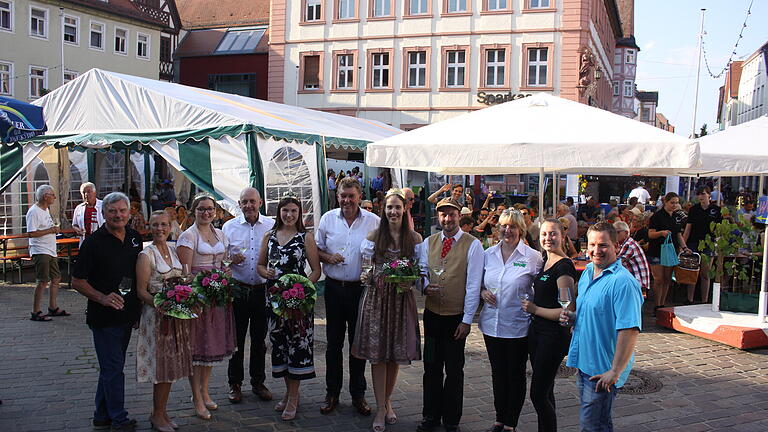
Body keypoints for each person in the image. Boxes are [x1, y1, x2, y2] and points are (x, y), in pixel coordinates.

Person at [72, 192, 143, 432]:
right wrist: (102, 297)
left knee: (111, 367)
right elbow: (77, 281)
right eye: (112, 211)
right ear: (104, 214)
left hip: (127, 314)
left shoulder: (134, 238)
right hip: (104, 318)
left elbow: (136, 276)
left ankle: (101, 416)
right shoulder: (93, 242)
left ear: (129, 213)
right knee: (113, 369)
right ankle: (119, 419)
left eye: (122, 210)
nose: (118, 215)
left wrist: (137, 311)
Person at [352, 189, 423, 432]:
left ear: (405, 210)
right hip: (378, 300)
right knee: (378, 354)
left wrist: (410, 281)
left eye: (397, 208)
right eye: (389, 207)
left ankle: (388, 400)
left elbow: (420, 272)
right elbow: (365, 270)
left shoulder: (414, 239)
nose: (393, 212)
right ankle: (380, 407)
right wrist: (366, 276)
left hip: (401, 300)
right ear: (384, 210)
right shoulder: (374, 236)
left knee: (394, 354)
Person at [563, 222, 643, 431]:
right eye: (592, 245)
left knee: (591, 426)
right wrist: (573, 317)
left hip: (602, 371)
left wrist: (615, 371)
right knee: (600, 423)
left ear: (616, 246)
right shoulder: (589, 272)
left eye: (603, 245)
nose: (596, 251)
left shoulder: (623, 283)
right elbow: (591, 312)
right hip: (584, 363)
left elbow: (630, 330)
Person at [417, 198, 483, 432]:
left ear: (459, 216)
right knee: (431, 367)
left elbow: (474, 285)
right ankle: (430, 415)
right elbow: (422, 271)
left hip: (456, 318)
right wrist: (423, 286)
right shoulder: (428, 242)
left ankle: (452, 419)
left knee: (454, 370)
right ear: (438, 217)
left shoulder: (473, 245)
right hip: (433, 316)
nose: (447, 219)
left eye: (451, 214)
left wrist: (467, 320)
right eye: (443, 215)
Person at [316, 176, 380, 415]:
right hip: (334, 288)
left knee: (357, 344)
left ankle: (358, 394)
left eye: (351, 196)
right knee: (333, 344)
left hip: (360, 290)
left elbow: (382, 251)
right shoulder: (327, 219)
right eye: (343, 196)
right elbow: (316, 249)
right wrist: (327, 257)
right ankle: (332, 393)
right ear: (337, 196)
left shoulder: (374, 221)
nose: (346, 200)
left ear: (359, 197)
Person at [257, 195, 321, 420]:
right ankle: (288, 392)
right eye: (285, 211)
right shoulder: (269, 235)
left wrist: (302, 290)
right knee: (280, 346)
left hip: (298, 303)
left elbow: (315, 271)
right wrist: (266, 273)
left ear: (299, 213)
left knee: (296, 347)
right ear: (279, 213)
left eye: (294, 211)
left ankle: (293, 398)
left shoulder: (306, 237)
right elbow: (260, 265)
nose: (289, 215)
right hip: (274, 302)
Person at [479, 209, 543, 432]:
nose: (508, 230)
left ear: (521, 229)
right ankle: (499, 419)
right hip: (491, 325)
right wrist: (482, 291)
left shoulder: (533, 257)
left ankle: (510, 423)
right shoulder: (488, 254)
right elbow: (478, 282)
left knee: (515, 375)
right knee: (498, 374)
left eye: (513, 226)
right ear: (498, 229)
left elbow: (542, 288)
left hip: (518, 326)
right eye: (504, 226)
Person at [177, 194, 236, 420]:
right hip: (198, 297)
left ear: (216, 212)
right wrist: (204, 285)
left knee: (210, 347)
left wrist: (225, 275)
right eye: (201, 209)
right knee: (197, 349)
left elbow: (224, 262)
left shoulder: (220, 233)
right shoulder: (187, 236)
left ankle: (205, 391)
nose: (206, 213)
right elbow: (185, 273)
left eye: (210, 209)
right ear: (194, 211)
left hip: (217, 298)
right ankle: (197, 397)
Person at [135, 210, 192, 432]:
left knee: (169, 367)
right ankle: (157, 415)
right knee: (160, 368)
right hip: (157, 318)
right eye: (156, 225)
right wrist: (163, 305)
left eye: (164, 225)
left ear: (171, 227)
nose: (160, 229)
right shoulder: (145, 255)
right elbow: (141, 292)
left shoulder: (173, 249)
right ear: (150, 227)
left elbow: (183, 278)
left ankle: (162, 412)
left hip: (175, 317)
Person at [521, 219, 576, 432]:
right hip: (538, 334)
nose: (548, 238)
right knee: (546, 390)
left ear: (563, 236)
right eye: (544, 234)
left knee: (538, 394)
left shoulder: (563, 267)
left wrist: (534, 309)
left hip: (552, 337)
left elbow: (567, 311)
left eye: (553, 234)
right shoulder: (545, 261)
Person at [222, 188, 276, 403]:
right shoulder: (229, 227)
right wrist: (229, 259)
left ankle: (258, 382)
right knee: (236, 340)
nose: (249, 206)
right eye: (244, 202)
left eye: (252, 201)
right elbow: (220, 256)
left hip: (262, 290)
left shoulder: (271, 226)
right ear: (239, 203)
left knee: (259, 339)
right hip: (239, 289)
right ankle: (235, 383)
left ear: (260, 202)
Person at [26, 185, 67, 321]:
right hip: (40, 249)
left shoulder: (46, 209)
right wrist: (50, 230)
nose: (54, 197)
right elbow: (31, 233)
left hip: (50, 249)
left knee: (56, 278)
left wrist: (52, 230)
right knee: (42, 281)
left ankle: (52, 307)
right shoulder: (34, 212)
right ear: (45, 196)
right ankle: (35, 311)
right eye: (53, 195)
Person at [648, 192, 688, 313]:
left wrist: (685, 248)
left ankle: (662, 304)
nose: (674, 205)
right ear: (666, 202)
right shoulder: (657, 216)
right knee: (658, 279)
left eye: (676, 203)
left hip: (670, 251)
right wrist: (661, 233)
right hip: (656, 250)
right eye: (672, 203)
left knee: (667, 279)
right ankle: (657, 304)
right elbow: (650, 234)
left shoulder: (677, 216)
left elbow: (679, 235)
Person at [682, 187, 721, 304]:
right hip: (694, 243)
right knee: (692, 272)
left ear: (709, 195)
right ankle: (690, 299)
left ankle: (704, 300)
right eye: (699, 194)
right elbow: (688, 228)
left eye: (703, 194)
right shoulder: (694, 209)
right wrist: (683, 244)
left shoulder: (716, 209)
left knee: (705, 273)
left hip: (709, 243)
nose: (701, 197)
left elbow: (720, 229)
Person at [614, 221, 650, 296]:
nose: (614, 235)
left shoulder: (629, 245)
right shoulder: (626, 243)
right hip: (635, 281)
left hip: (637, 283)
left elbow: (615, 264)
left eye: (617, 232)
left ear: (626, 233)